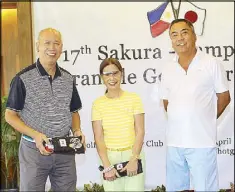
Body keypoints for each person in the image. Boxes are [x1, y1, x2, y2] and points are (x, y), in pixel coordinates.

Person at [5, 28, 85, 191]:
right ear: (38, 46)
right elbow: (10, 115)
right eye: (47, 43)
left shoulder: (68, 79)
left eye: (56, 43)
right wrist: (35, 135)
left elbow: (73, 112)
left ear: (61, 48)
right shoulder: (22, 78)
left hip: (64, 150)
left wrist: (77, 130)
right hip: (34, 151)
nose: (52, 48)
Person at [159, 19, 231, 191]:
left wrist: (204, 118)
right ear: (171, 40)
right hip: (175, 143)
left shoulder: (211, 63)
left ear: (194, 35)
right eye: (174, 35)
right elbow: (167, 102)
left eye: (184, 32)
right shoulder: (168, 68)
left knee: (205, 188)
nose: (180, 38)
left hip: (202, 143)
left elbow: (224, 97)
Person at [91, 58, 145, 191]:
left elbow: (140, 131)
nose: (112, 78)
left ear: (121, 74)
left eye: (115, 73)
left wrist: (134, 158)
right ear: (102, 78)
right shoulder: (98, 104)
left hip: (133, 155)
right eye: (107, 74)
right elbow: (98, 138)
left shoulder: (134, 99)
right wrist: (107, 166)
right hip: (109, 159)